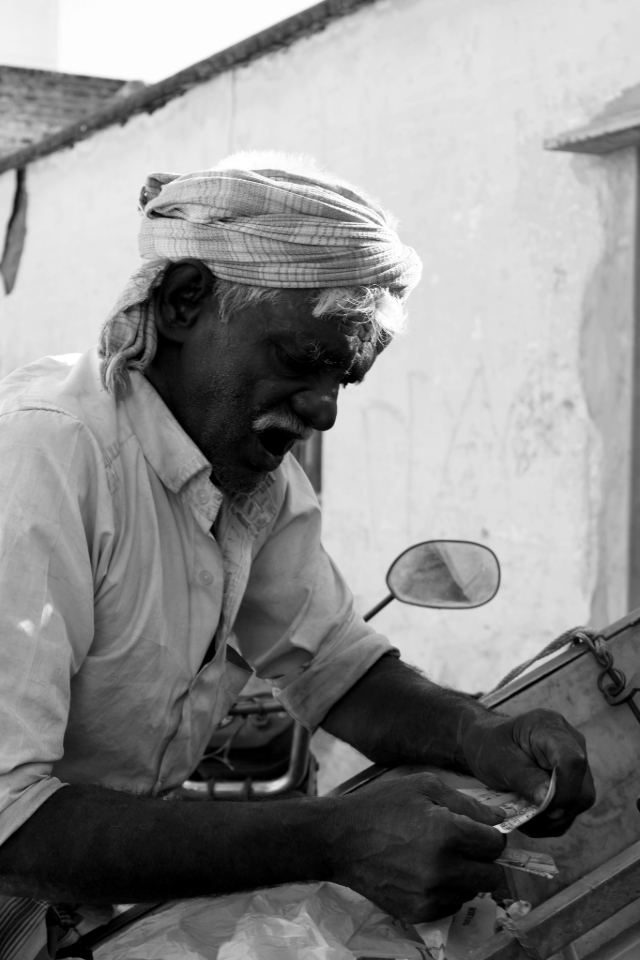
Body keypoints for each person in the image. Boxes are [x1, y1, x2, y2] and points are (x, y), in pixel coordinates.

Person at [0, 153, 594, 952]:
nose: (324, 410)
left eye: (344, 379)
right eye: (300, 363)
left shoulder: (252, 478)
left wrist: (478, 733)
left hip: (72, 917)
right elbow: (12, 822)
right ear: (183, 305)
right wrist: (332, 836)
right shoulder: (46, 457)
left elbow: (338, 668)